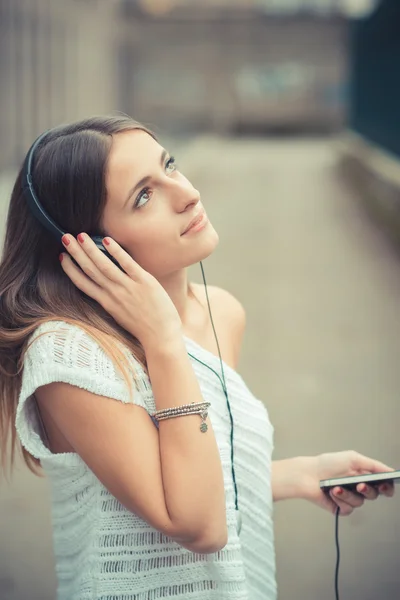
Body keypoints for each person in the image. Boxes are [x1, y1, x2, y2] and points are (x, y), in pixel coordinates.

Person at [0, 115, 394, 600]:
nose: (186, 193)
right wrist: (162, 339)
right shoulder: (70, 353)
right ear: (91, 250)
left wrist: (297, 474)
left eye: (170, 165)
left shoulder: (221, 313)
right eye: (143, 196)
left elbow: (189, 474)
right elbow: (198, 526)